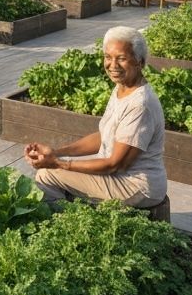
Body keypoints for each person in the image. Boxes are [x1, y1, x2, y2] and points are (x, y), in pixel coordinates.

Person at [24, 25, 166, 208]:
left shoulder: (140, 104)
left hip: (136, 186)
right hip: (116, 177)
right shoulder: (121, 88)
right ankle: (67, 217)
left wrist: (58, 163)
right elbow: (104, 136)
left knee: (47, 174)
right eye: (108, 57)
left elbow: (115, 165)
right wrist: (56, 152)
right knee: (54, 170)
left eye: (121, 58)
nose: (113, 65)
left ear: (140, 62)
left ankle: (60, 223)